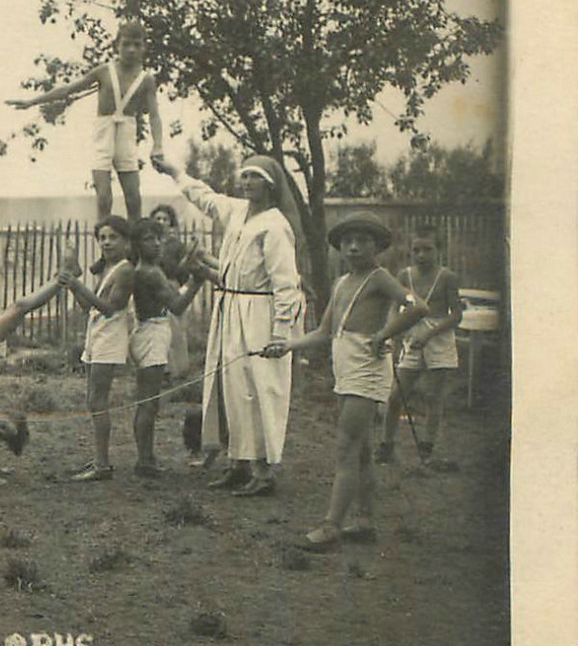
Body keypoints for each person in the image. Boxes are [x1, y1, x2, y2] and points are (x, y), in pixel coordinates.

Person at [151, 150, 304, 498]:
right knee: (229, 386)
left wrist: (281, 332)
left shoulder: (276, 225)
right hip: (231, 307)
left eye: (255, 177)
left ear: (270, 184)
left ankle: (264, 471)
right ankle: (239, 464)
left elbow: (286, 285)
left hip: (260, 315)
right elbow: (203, 196)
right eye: (245, 176)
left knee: (259, 389)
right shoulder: (236, 211)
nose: (247, 182)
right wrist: (174, 169)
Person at [270, 212, 426, 551]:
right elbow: (325, 332)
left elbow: (417, 306)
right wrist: (287, 345)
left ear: (377, 246)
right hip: (345, 364)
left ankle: (331, 526)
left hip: (366, 367)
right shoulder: (342, 283)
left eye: (363, 241)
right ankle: (365, 521)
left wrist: (385, 333)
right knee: (363, 450)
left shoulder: (380, 278)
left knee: (346, 446)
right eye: (348, 242)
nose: (354, 247)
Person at [8, 21, 165, 221]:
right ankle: (105, 245)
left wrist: (158, 145)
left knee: (133, 198)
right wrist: (31, 102)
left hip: (127, 132)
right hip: (104, 132)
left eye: (137, 44)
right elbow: (68, 90)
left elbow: (154, 115)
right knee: (104, 198)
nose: (131, 50)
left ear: (144, 47)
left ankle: (135, 250)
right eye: (126, 44)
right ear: (117, 45)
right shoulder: (104, 71)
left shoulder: (146, 79)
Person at [0, 261, 76, 485]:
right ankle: (59, 279)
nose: (2, 424)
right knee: (19, 308)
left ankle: (60, 279)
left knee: (19, 308)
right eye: (7, 425)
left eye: (1, 429)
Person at [377, 224, 463, 466]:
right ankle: (386, 445)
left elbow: (456, 315)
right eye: (417, 250)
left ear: (438, 251)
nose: (422, 255)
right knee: (396, 395)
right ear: (410, 252)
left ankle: (427, 447)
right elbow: (396, 306)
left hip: (439, 336)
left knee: (433, 396)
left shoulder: (447, 277)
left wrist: (431, 334)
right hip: (412, 336)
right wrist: (393, 330)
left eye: (428, 249)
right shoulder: (405, 276)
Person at [58, 217, 137, 481]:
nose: (106, 242)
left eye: (112, 237)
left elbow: (110, 308)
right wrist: (72, 288)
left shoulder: (125, 270)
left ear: (126, 242)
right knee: (92, 400)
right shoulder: (107, 269)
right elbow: (89, 307)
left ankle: (102, 465)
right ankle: (98, 461)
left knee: (97, 400)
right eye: (102, 238)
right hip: (97, 335)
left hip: (111, 339)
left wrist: (79, 285)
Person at [128, 218, 207, 477]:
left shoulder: (151, 269)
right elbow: (178, 305)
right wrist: (198, 280)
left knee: (149, 401)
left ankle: (147, 457)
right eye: (150, 239)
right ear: (137, 245)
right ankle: (144, 461)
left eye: (158, 238)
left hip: (152, 331)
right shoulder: (149, 272)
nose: (158, 243)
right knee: (148, 401)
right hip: (152, 332)